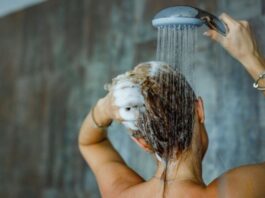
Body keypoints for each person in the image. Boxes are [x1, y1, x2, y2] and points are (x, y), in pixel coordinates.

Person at [78, 13, 265, 198]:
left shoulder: (119, 193)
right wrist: (251, 57)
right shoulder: (237, 190)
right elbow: (90, 144)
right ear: (199, 110)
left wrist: (106, 106)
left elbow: (90, 142)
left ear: (142, 143)